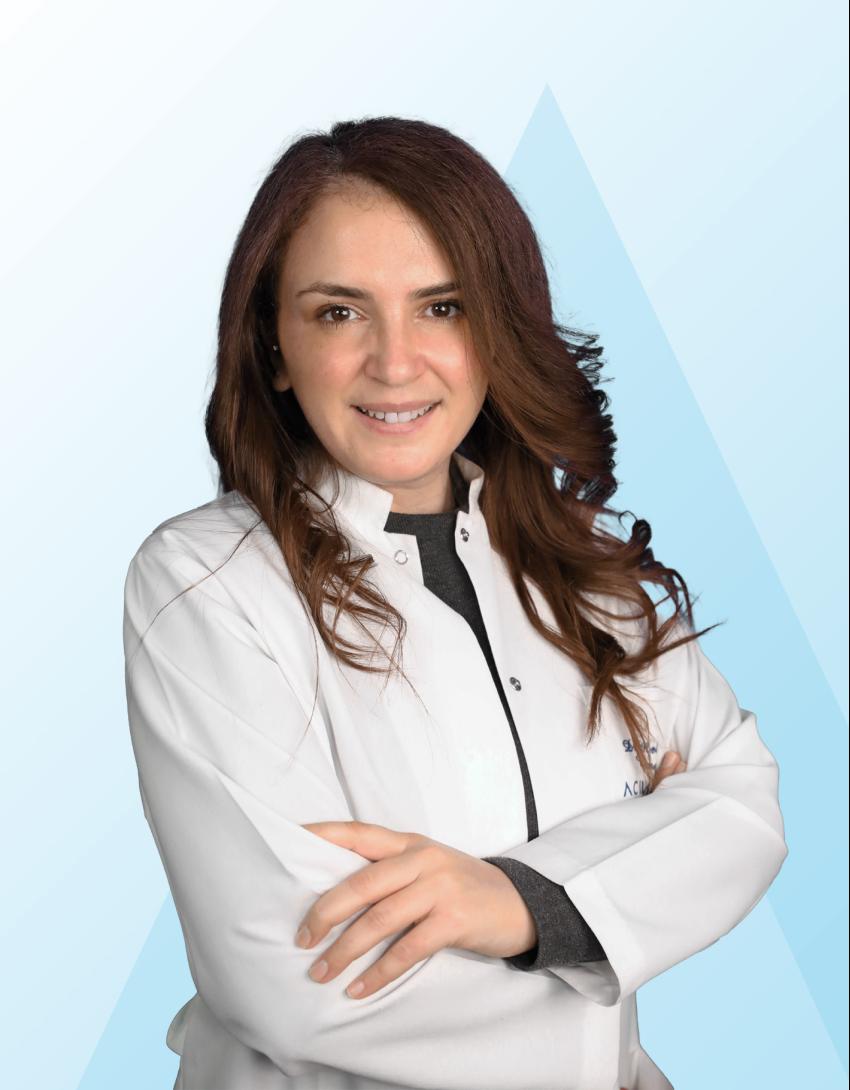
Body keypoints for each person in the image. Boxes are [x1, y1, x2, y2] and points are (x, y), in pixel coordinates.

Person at [122, 116, 788, 1090]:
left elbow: (744, 809)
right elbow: (297, 980)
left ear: (496, 330)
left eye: (441, 307)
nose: (396, 363)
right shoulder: (206, 583)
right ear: (275, 347)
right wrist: (621, 896)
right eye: (339, 312)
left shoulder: (582, 570)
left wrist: (514, 905)